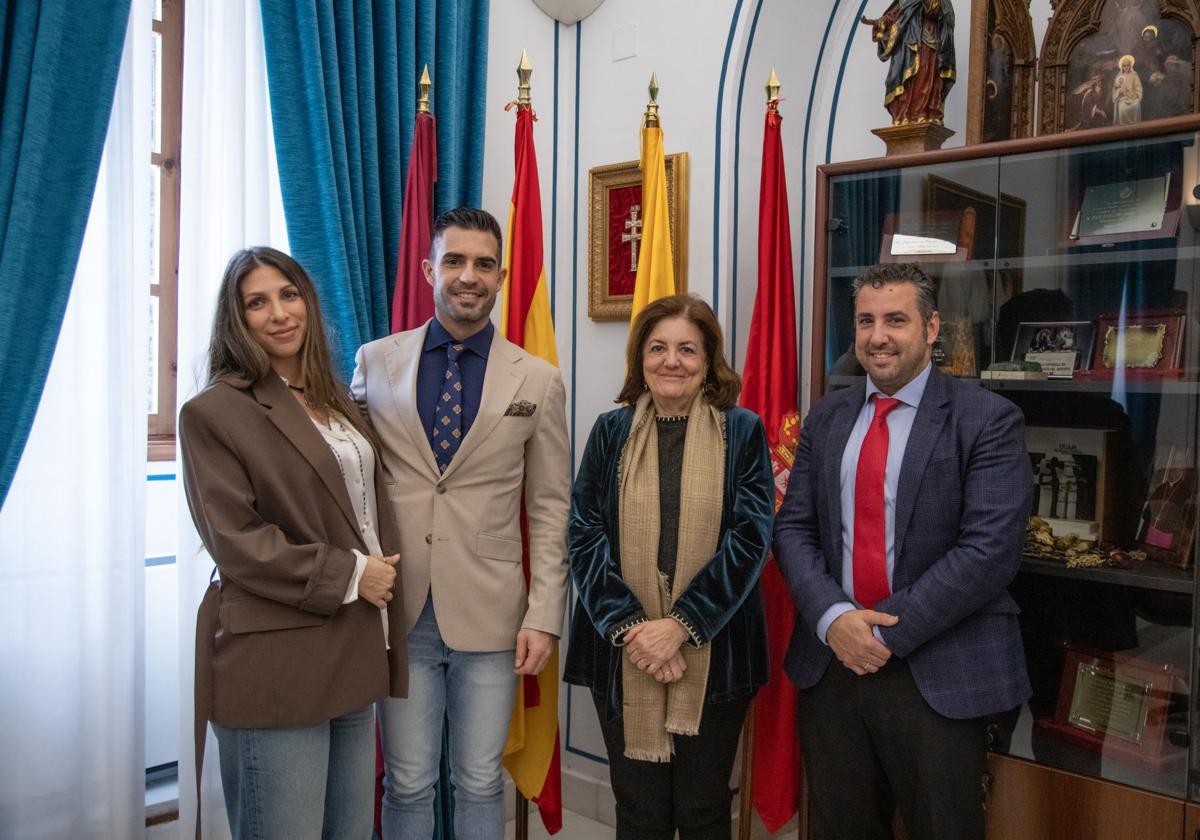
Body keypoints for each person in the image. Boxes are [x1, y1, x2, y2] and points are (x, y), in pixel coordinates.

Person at [774, 262, 1032, 840]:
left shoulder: (987, 419)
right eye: (865, 320)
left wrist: (882, 634)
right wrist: (835, 619)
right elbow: (792, 529)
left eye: (895, 319)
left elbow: (989, 551)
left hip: (938, 666)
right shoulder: (827, 416)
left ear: (932, 327)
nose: (878, 336)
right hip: (833, 665)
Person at [351, 207, 571, 840]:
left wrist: (544, 613)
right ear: (429, 270)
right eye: (454, 261)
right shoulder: (375, 362)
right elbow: (346, 475)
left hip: (493, 613)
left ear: (501, 276)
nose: (467, 276)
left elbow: (551, 506)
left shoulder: (538, 379)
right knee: (408, 782)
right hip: (399, 606)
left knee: (477, 780)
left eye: (482, 264)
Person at [179, 247, 406, 839]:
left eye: (289, 294)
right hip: (276, 662)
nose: (279, 313)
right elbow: (238, 542)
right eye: (257, 302)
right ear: (237, 318)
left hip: (353, 648)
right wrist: (356, 575)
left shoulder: (337, 398)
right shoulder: (213, 413)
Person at [564, 294, 775, 840]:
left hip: (717, 651)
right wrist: (636, 631)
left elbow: (750, 538)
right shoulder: (610, 432)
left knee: (704, 809)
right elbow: (585, 535)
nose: (671, 361)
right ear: (641, 359)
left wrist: (681, 626)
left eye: (687, 348)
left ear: (709, 359)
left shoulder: (743, 431)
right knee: (638, 809)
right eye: (657, 348)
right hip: (621, 649)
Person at [863, 0, 956, 126]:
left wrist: (930, 4)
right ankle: (904, 114)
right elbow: (895, 15)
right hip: (908, 44)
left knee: (927, 78)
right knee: (907, 79)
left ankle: (925, 113)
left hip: (930, 42)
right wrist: (880, 22)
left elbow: (945, 15)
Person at [1112, 54, 1144, 124]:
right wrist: (1119, 91)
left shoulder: (1134, 75)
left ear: (1130, 66)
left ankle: (1135, 126)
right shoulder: (1120, 77)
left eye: (1127, 65)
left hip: (1132, 97)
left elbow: (1138, 86)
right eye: (1124, 66)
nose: (1126, 67)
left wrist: (1137, 95)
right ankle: (1123, 127)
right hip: (1123, 99)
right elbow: (1115, 88)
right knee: (1122, 107)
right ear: (1122, 67)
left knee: (1136, 104)